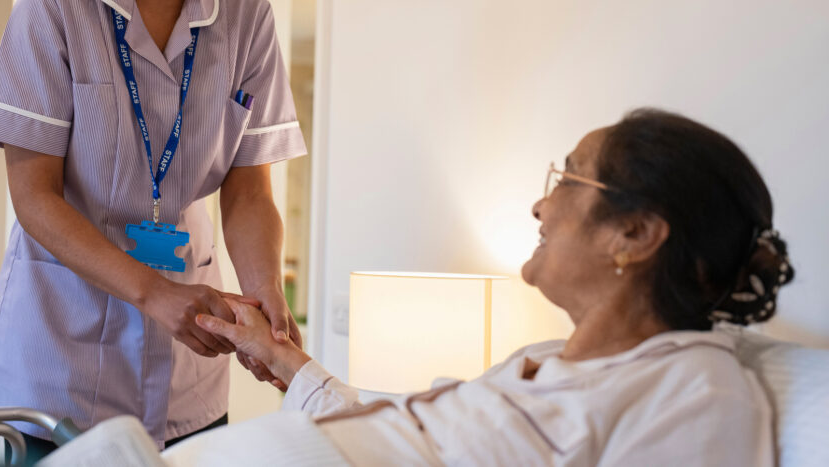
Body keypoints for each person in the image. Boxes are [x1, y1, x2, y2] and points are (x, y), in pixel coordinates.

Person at [172, 108, 795, 465]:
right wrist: (281, 357)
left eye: (569, 179)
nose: (539, 206)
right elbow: (404, 437)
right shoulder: (544, 361)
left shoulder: (698, 398)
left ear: (633, 233)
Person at [0, 0, 306, 456]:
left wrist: (265, 292)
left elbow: (248, 191)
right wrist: (155, 293)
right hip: (58, 369)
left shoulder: (248, 20)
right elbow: (34, 194)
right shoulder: (56, 3)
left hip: (188, 376)